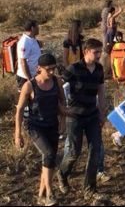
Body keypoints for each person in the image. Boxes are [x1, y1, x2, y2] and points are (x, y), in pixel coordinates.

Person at [14, 53, 66, 207]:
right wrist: (18, 134)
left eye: (53, 69)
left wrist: (63, 120)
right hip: (35, 126)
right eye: (48, 69)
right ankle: (50, 193)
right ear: (39, 69)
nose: (51, 72)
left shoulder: (57, 81)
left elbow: (62, 102)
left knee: (49, 160)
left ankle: (41, 196)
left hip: (52, 125)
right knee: (49, 154)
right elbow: (19, 110)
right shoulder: (30, 85)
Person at [58, 39, 108, 196]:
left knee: (95, 151)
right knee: (74, 152)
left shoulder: (99, 69)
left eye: (100, 51)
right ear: (86, 51)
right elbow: (59, 86)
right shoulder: (74, 69)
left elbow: (101, 91)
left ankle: (89, 189)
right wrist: (62, 109)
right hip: (75, 116)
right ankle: (62, 174)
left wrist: (103, 113)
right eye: (96, 52)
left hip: (92, 115)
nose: (99, 55)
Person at [17, 20, 42, 94]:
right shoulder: (25, 42)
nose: (38, 28)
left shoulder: (33, 39)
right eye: (37, 26)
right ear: (32, 28)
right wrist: (30, 79)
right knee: (25, 100)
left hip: (34, 76)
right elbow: (23, 62)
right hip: (25, 77)